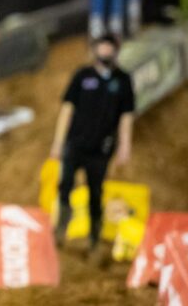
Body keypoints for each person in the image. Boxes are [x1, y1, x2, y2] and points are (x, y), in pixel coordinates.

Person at [48, 35, 135, 252]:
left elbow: (126, 116)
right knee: (65, 185)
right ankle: (60, 231)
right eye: (101, 47)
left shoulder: (123, 80)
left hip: (101, 149)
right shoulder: (82, 75)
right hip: (75, 143)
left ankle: (94, 239)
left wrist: (125, 146)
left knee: (96, 193)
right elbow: (67, 109)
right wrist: (58, 142)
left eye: (109, 47)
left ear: (116, 51)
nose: (105, 51)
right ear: (95, 49)